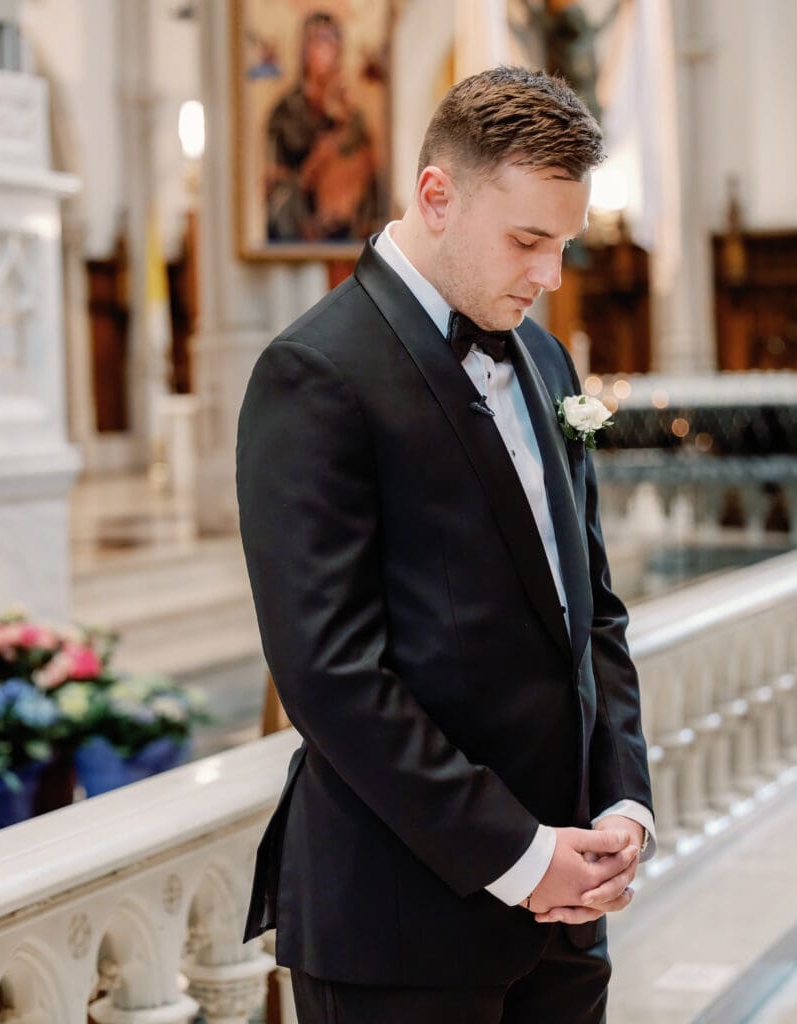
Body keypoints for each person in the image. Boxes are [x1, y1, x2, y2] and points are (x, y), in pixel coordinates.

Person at [237, 65, 655, 1024]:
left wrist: (621, 807)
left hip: (567, 914)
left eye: (563, 245)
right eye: (526, 242)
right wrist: (518, 855)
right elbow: (331, 675)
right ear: (436, 194)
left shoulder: (544, 354)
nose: (549, 277)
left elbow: (591, 610)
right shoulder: (314, 373)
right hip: (401, 928)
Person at [266, 11, 378, 242]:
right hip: (295, 233)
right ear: (305, 49)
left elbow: (368, 175)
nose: (330, 48)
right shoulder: (286, 111)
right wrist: (315, 163)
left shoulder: (351, 115)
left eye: (335, 39)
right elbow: (275, 181)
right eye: (321, 39)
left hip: (344, 233)